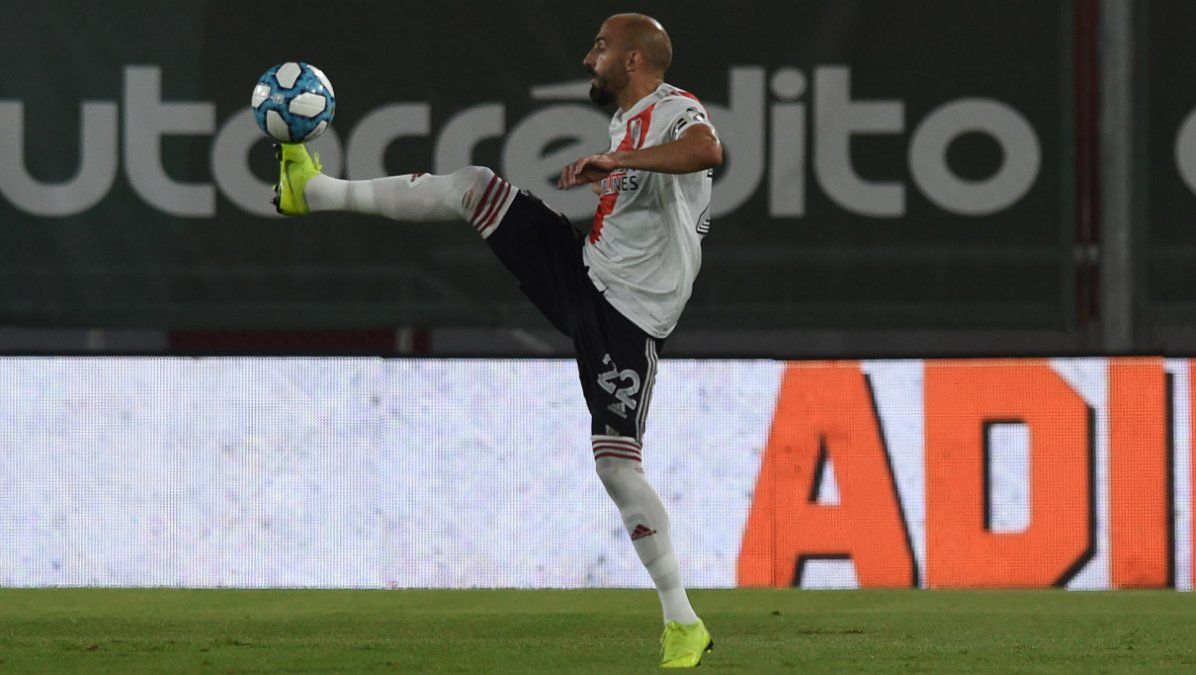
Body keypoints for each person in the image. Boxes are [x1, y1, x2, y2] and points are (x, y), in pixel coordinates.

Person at [273, 12, 721, 668]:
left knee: (616, 466)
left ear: (634, 60)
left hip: (628, 316)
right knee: (474, 187)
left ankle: (682, 621)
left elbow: (707, 151)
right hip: (585, 269)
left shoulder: (674, 109)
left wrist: (617, 160)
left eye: (601, 47)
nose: (588, 58)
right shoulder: (628, 120)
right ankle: (312, 190)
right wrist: (614, 160)